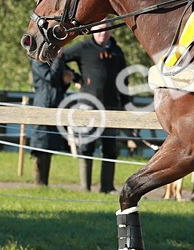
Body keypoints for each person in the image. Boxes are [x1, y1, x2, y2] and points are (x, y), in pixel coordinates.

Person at [60, 30, 128, 193]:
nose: (103, 33)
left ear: (111, 31)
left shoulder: (116, 51)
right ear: (94, 31)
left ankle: (107, 187)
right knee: (87, 145)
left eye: (106, 29)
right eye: (100, 29)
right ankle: (85, 187)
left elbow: (124, 79)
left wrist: (125, 103)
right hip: (88, 105)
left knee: (110, 147)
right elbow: (60, 57)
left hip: (111, 106)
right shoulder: (83, 47)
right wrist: (76, 77)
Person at [28, 55, 74, 186]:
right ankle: (39, 183)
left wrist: (66, 81)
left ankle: (44, 184)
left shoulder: (53, 60)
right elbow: (51, 78)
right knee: (40, 145)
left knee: (50, 145)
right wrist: (59, 59)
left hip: (55, 106)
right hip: (43, 106)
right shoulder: (38, 60)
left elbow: (57, 84)